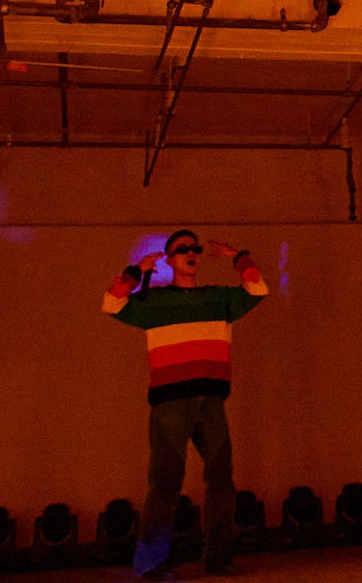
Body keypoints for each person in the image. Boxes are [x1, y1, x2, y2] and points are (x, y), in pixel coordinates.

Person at [103, 229, 270, 577]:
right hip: (170, 404)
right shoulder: (155, 302)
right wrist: (136, 270)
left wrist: (236, 257)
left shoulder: (217, 298)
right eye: (182, 249)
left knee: (222, 480)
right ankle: (151, 564)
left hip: (210, 401)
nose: (191, 252)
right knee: (165, 482)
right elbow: (111, 303)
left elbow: (258, 288)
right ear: (169, 259)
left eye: (194, 248)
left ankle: (217, 558)